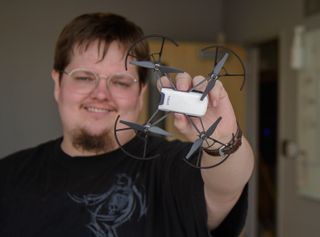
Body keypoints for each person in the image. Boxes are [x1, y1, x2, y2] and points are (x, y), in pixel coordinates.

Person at [0, 13, 254, 237]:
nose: (101, 94)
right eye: (84, 77)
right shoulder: (9, 176)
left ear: (141, 92)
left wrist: (223, 140)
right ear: (58, 84)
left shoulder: (170, 170)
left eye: (120, 82)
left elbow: (227, 184)